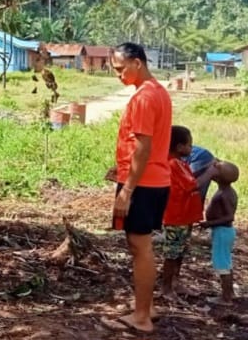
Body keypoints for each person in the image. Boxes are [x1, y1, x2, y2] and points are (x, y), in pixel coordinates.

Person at [109, 43, 172, 333]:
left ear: (137, 63)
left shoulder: (145, 97)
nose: (117, 74)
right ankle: (145, 306)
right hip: (150, 178)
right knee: (140, 246)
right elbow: (144, 146)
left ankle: (142, 317)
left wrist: (127, 190)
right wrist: (121, 171)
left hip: (144, 183)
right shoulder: (156, 92)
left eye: (120, 68)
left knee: (140, 247)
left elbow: (144, 148)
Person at [160, 126, 216, 299]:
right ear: (179, 147)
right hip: (176, 218)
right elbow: (194, 185)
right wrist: (211, 171)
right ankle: (166, 288)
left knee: (180, 251)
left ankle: (176, 283)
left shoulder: (182, 163)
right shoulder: (173, 164)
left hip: (185, 217)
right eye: (189, 145)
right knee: (172, 254)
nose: (192, 149)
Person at [199, 161, 239, 305]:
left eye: (216, 169)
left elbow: (229, 217)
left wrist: (208, 223)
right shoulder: (227, 190)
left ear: (218, 178)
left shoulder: (224, 194)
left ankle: (225, 298)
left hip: (222, 232)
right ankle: (230, 293)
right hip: (224, 232)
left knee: (222, 265)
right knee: (226, 263)